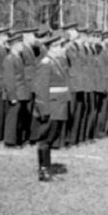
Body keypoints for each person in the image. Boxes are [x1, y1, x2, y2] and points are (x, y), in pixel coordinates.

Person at [32, 33, 70, 181]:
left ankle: (46, 168)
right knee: (45, 139)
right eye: (61, 46)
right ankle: (44, 170)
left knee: (50, 138)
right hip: (51, 106)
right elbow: (41, 89)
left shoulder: (56, 62)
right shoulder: (46, 63)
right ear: (53, 48)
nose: (63, 49)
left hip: (58, 106)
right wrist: (44, 110)